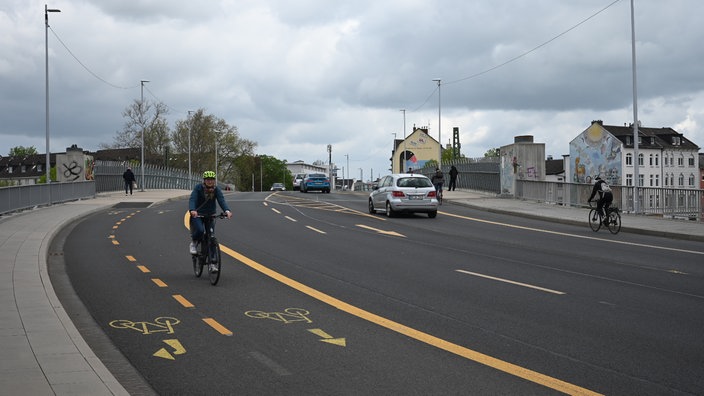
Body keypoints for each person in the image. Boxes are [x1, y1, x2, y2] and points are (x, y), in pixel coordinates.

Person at [189, 171, 232, 272]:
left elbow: (221, 200)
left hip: (210, 215)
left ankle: (213, 264)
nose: (210, 181)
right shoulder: (198, 188)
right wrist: (192, 210)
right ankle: (194, 243)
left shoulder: (216, 190)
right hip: (198, 214)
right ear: (204, 181)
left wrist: (227, 210)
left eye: (211, 180)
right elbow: (192, 199)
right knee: (199, 230)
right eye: (207, 180)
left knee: (211, 237)